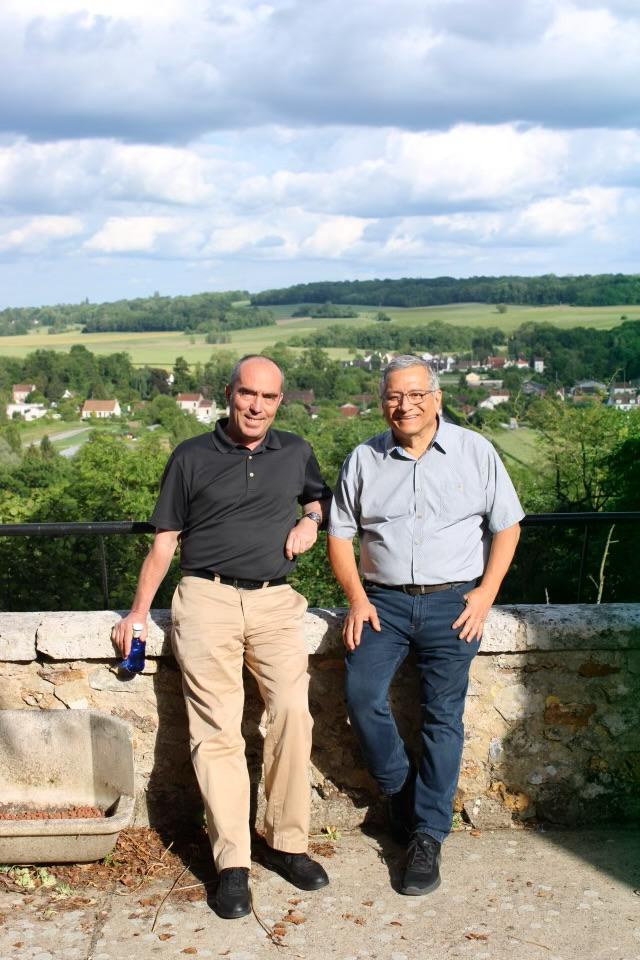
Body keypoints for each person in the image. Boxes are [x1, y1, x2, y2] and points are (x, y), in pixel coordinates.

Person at [112, 355, 332, 920]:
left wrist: (311, 520)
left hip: (275, 600)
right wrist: (138, 614)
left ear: (281, 402)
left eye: (269, 397)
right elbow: (164, 542)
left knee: (292, 714)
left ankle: (286, 844)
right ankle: (232, 864)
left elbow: (320, 497)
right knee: (217, 731)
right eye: (247, 395)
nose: (257, 406)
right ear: (228, 395)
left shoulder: (297, 451)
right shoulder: (190, 456)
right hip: (206, 597)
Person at [327, 355, 523, 896]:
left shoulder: (475, 452)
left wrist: (485, 594)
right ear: (381, 400)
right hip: (383, 604)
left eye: (415, 395)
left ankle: (428, 838)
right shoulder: (365, 458)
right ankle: (405, 795)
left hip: (453, 604)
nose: (404, 405)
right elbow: (339, 536)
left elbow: (507, 527)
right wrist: (356, 596)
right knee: (361, 694)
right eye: (393, 395)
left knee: (443, 718)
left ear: (436, 399)